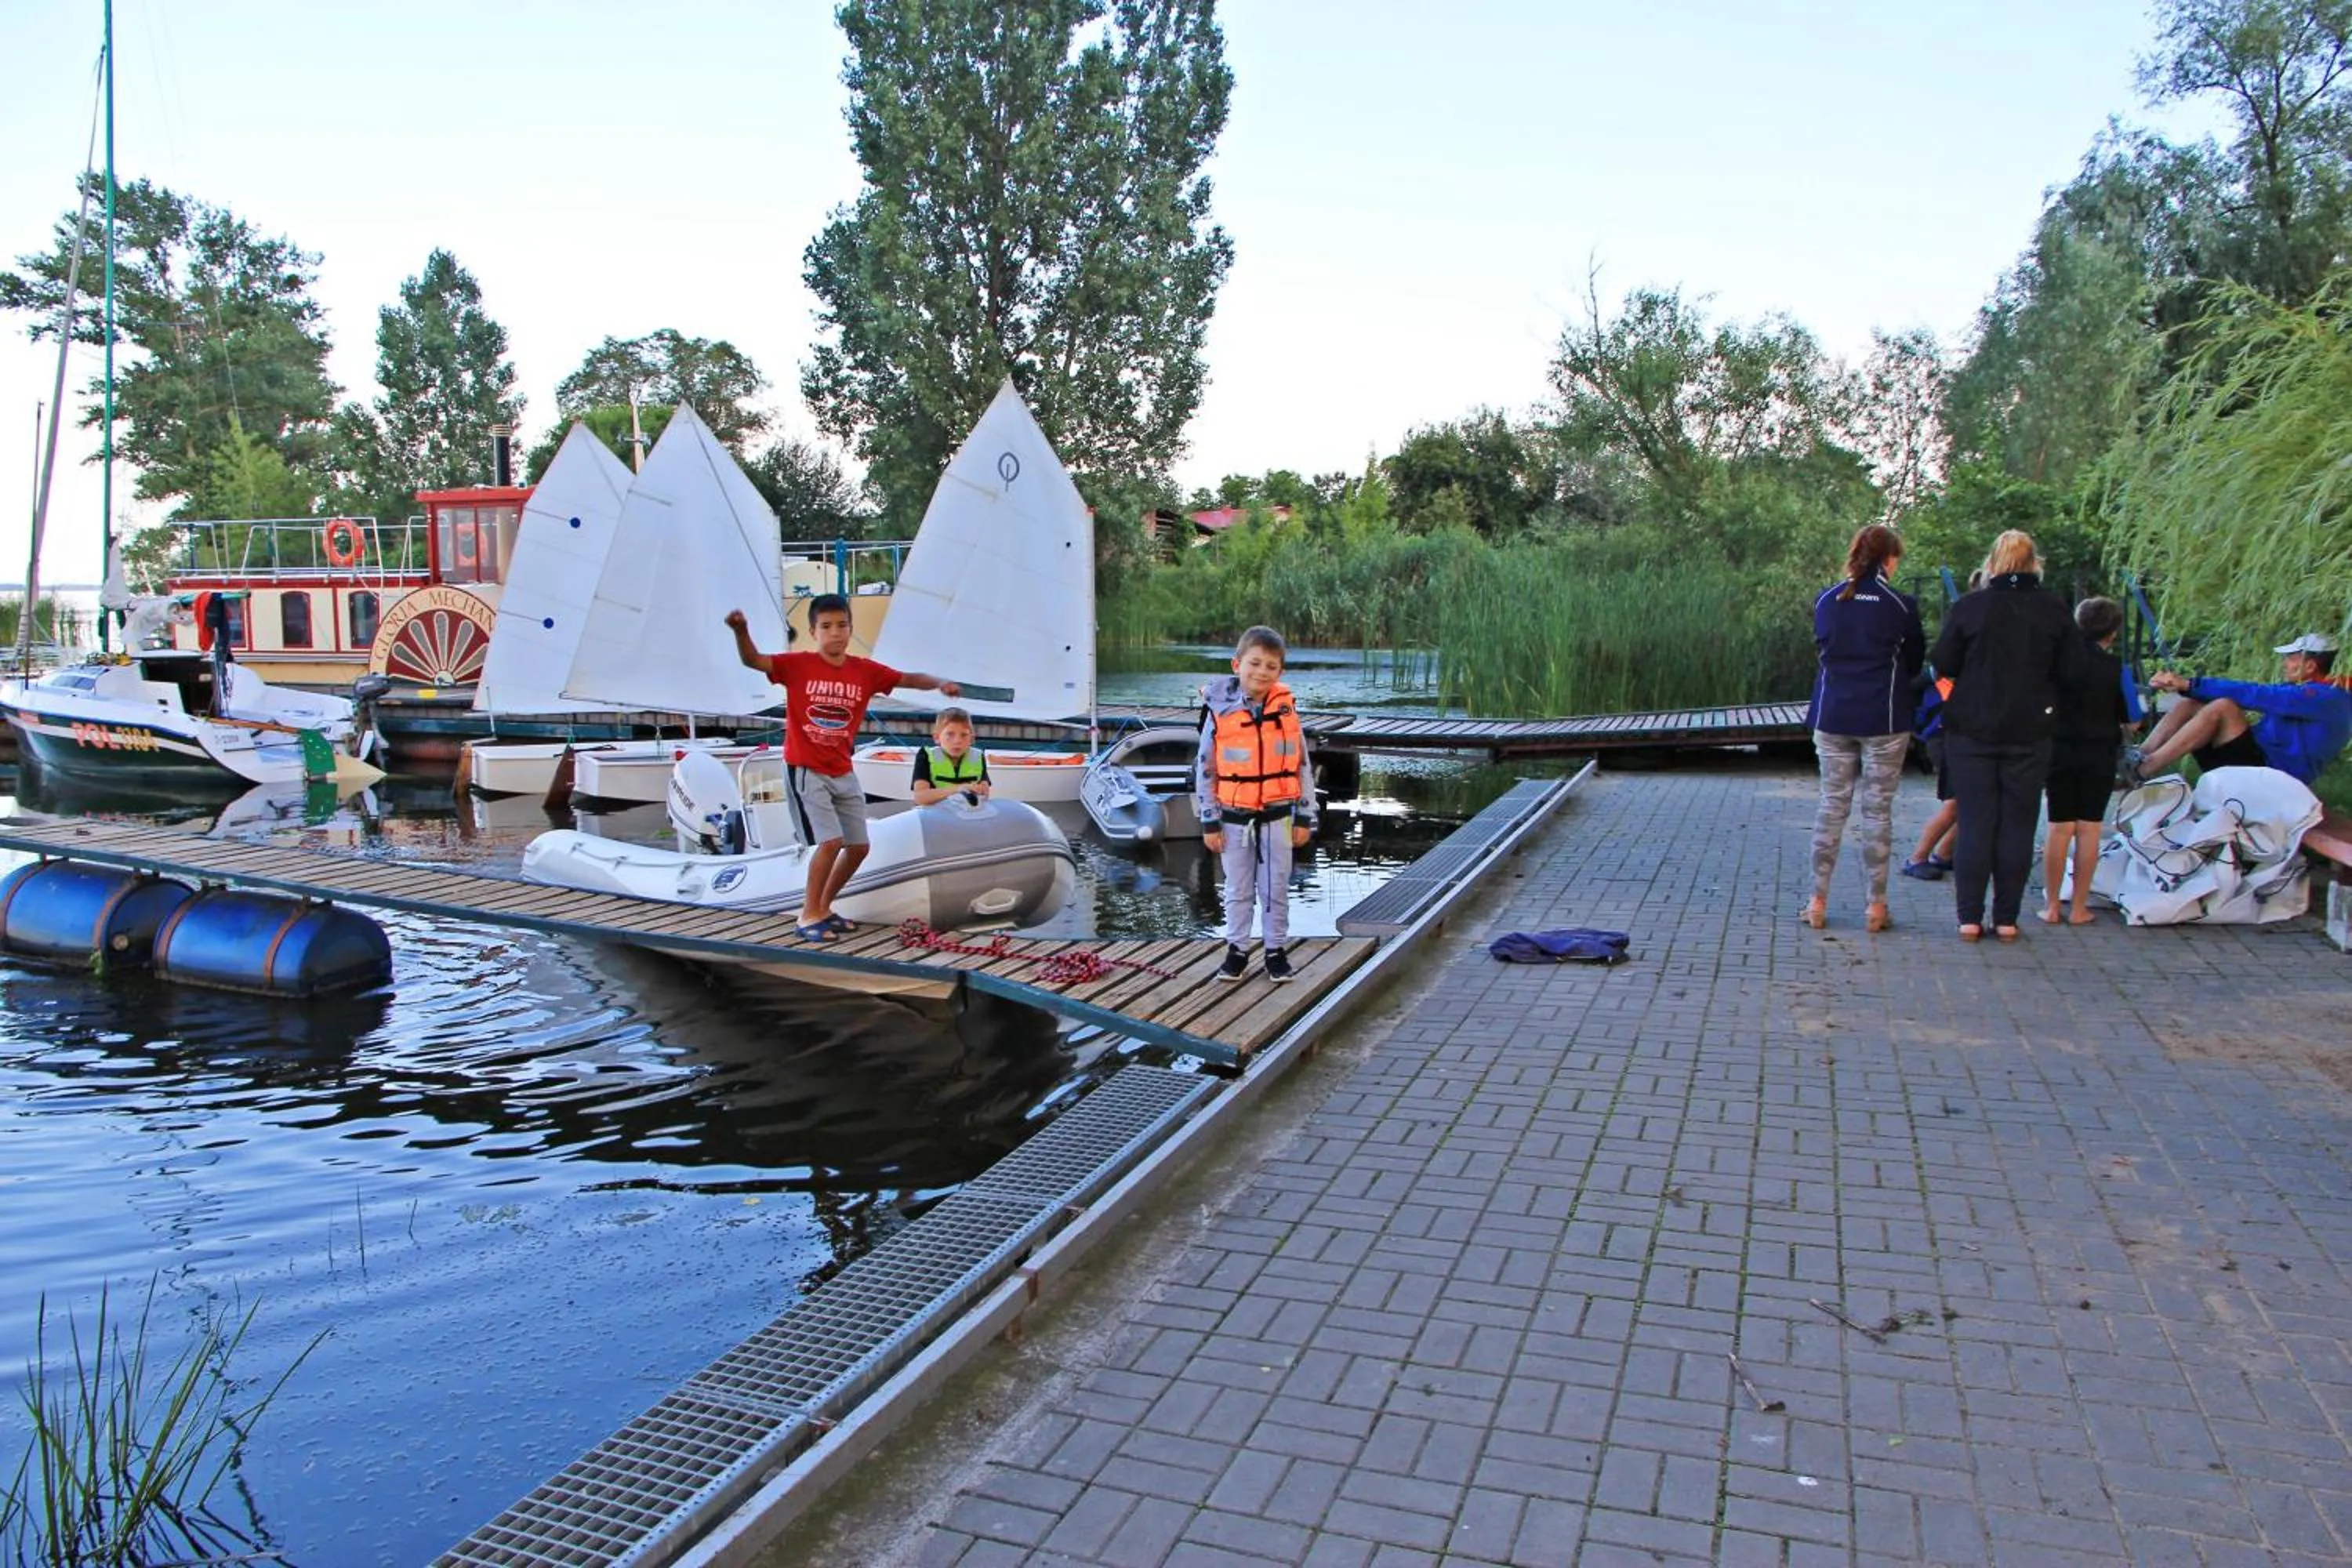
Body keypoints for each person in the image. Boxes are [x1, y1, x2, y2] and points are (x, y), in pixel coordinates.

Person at [724, 594, 961, 942]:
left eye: (842, 625)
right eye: (826, 627)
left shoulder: (864, 671)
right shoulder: (797, 665)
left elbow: (908, 679)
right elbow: (754, 660)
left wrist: (940, 684)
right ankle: (808, 915)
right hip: (807, 768)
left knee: (859, 846)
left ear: (850, 628)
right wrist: (741, 631)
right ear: (813, 632)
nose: (835, 633)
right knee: (830, 841)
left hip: (843, 770)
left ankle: (824, 907)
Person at [1929, 530, 2087, 942]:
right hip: (2031, 732)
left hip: (1972, 730)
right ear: (2035, 564)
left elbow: (1943, 660)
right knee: (2018, 823)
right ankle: (2007, 919)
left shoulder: (1970, 608)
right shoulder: (2054, 611)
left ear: (1993, 563)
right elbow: (2074, 671)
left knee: (1977, 821)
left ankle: (1968, 917)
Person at [1802, 523, 1925, 932]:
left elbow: (1823, 650)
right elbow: (1913, 662)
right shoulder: (1900, 604)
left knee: (1831, 806)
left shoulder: (1826, 600)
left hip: (1833, 714)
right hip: (1884, 717)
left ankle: (1817, 901)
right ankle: (1876, 906)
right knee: (1878, 812)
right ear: (1890, 559)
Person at [1196, 626, 1316, 984]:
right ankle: (1236, 950)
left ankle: (1276, 951)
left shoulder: (1287, 711)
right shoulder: (1218, 713)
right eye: (1255, 663)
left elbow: (1302, 766)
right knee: (1238, 888)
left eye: (1271, 666)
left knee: (1276, 887)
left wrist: (1305, 817)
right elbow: (1205, 768)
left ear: (1280, 673)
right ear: (1237, 664)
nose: (1261, 672)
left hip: (1279, 816)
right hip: (1233, 818)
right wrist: (1209, 821)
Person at [2129, 632, 2352, 789]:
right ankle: (2138, 756)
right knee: (2189, 705)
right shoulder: (2307, 691)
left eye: (2290, 658)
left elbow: (2256, 694)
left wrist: (2190, 684)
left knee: (2224, 707)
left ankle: (2144, 770)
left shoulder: (2325, 697)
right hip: (2259, 763)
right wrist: (2191, 690)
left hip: (2275, 777)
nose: (2284, 663)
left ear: (2310, 666)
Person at [2040, 597, 2139, 925]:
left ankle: (2052, 905)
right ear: (2112, 633)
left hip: (2059, 748)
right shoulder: (2116, 669)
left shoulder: (2056, 664)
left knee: (2058, 827)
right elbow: (2133, 720)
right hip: (2099, 751)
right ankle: (2079, 907)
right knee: (2089, 829)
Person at [909, 706, 993, 806]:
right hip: (935, 815)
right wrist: (959, 789)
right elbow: (920, 798)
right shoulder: (925, 755)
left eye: (964, 735)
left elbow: (985, 794)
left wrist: (980, 791)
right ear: (937, 737)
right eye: (950, 734)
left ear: (971, 739)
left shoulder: (978, 757)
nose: (957, 741)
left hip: (965, 814)